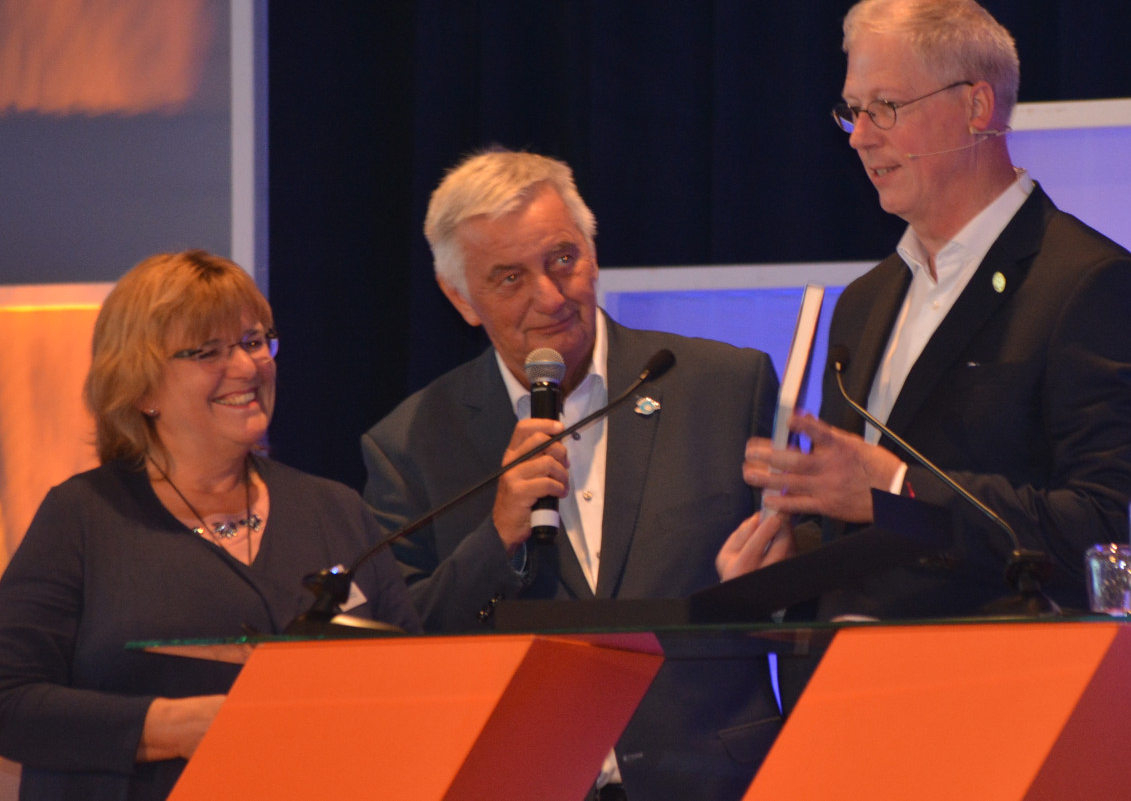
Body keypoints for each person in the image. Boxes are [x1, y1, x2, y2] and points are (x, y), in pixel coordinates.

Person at [719, 0, 1131, 619]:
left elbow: (1107, 526)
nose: (859, 138)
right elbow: (870, 533)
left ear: (978, 106)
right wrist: (791, 563)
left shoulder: (1088, 284)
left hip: (991, 693)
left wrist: (896, 487)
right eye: (853, 110)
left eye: (886, 106)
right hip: (842, 692)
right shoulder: (865, 301)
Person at [362, 149, 782, 800]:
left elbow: (808, 568)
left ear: (592, 249)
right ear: (460, 297)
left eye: (563, 259)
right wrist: (495, 537)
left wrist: (780, 571)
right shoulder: (408, 444)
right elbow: (404, 651)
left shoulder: (724, 386)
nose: (551, 297)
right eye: (508, 278)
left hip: (714, 779)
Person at [0, 250, 420, 801]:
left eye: (253, 342)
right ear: (142, 387)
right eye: (208, 351)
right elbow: (9, 701)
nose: (247, 367)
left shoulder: (333, 508)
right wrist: (170, 728)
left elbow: (418, 685)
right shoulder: (83, 518)